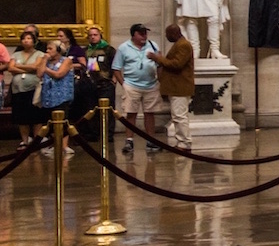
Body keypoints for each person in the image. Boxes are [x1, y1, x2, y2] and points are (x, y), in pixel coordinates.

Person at [113, 24, 162, 154]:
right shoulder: (124, 48)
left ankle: (151, 140)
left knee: (150, 113)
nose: (144, 36)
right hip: (131, 85)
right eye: (141, 33)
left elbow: (160, 64)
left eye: (145, 33)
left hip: (151, 84)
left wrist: (160, 80)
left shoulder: (153, 46)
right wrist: (123, 84)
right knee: (131, 113)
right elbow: (116, 68)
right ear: (133, 35)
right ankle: (129, 140)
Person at [148, 24, 195, 151]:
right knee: (177, 116)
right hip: (176, 87)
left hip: (180, 87)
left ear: (174, 34)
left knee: (180, 116)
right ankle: (182, 141)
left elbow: (177, 64)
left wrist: (158, 59)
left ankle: (184, 143)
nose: (166, 36)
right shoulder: (179, 44)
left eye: (167, 34)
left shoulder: (183, 45)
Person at [74, 26, 116, 142]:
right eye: (90, 35)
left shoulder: (109, 50)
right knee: (90, 110)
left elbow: (115, 65)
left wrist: (114, 80)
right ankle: (92, 133)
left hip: (105, 83)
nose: (93, 37)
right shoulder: (85, 51)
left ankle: (108, 134)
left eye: (95, 35)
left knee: (107, 110)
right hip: (90, 84)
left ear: (100, 35)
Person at [37, 34, 77, 156]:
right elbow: (39, 74)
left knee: (63, 121)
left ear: (58, 50)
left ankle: (64, 146)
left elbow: (59, 74)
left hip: (62, 95)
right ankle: (55, 144)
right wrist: (44, 61)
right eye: (47, 49)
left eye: (50, 49)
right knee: (50, 122)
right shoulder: (46, 61)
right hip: (48, 95)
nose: (47, 51)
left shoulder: (66, 60)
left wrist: (46, 69)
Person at [6, 31, 45, 148]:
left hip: (34, 89)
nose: (26, 41)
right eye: (23, 39)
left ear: (34, 41)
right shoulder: (16, 54)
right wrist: (27, 69)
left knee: (36, 116)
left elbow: (36, 67)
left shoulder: (40, 54)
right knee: (21, 117)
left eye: (28, 38)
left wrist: (18, 66)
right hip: (18, 90)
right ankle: (25, 140)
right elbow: (10, 68)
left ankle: (37, 140)